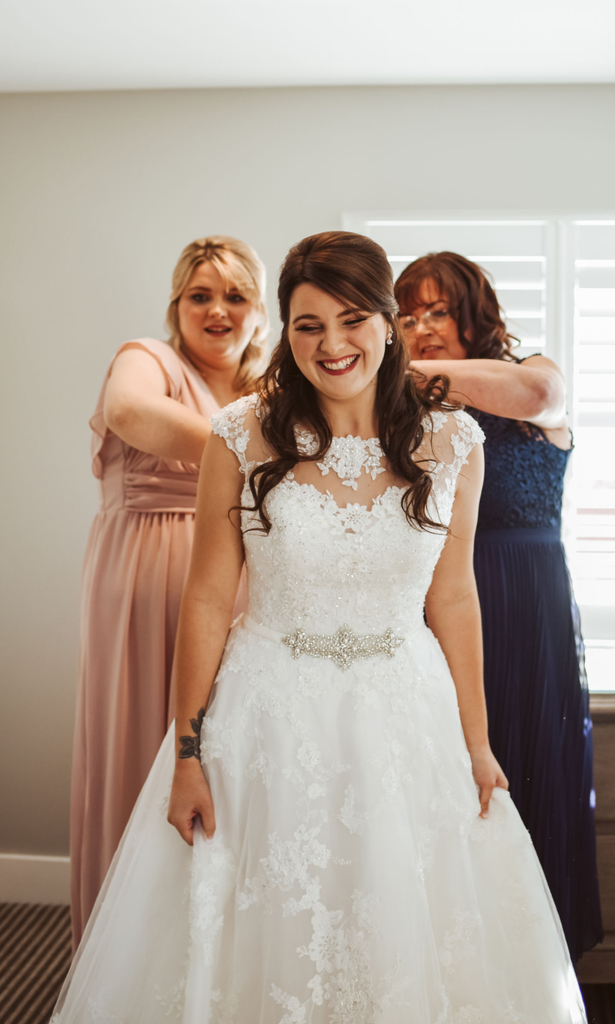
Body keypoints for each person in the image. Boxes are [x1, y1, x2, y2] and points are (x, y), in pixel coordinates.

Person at [53, 231, 586, 1024]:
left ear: (384, 322)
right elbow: (206, 600)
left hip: (406, 717)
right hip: (262, 722)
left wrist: (475, 744)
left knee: (402, 928)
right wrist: (190, 751)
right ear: (287, 331)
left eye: (350, 320)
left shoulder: (453, 443)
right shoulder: (239, 435)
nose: (331, 345)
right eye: (307, 326)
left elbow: (454, 600)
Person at [395, 250, 603, 962]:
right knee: (442, 776)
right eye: (406, 313)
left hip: (525, 608)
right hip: (435, 613)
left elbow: (536, 396)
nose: (420, 325)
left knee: (525, 767)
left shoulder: (531, 374)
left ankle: (529, 964)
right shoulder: (403, 413)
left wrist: (385, 369)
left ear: (473, 314)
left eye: (437, 310)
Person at [70, 235, 268, 948]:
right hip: (147, 578)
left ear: (259, 311)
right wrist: (259, 452)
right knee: (141, 746)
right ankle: (122, 956)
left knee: (226, 759)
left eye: (235, 296)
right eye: (199, 295)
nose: (217, 310)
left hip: (240, 587)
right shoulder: (144, 359)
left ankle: (212, 955)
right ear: (176, 305)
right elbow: (129, 415)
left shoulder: (265, 390)